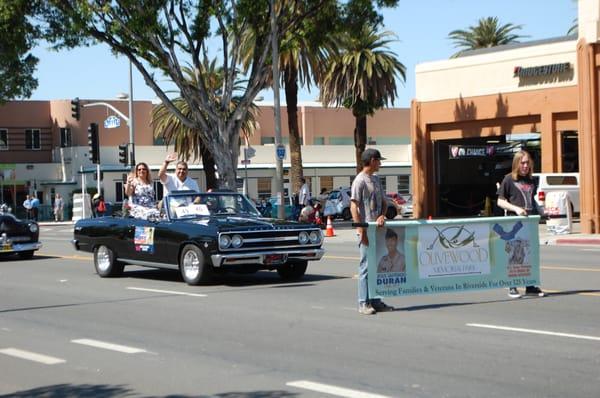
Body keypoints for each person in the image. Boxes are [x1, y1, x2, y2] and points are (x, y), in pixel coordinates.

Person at [351, 148, 394, 315]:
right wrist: (360, 228)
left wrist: (382, 215)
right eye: (378, 160)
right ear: (372, 161)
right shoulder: (359, 180)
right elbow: (354, 205)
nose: (380, 164)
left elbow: (384, 202)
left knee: (377, 267)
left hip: (377, 229)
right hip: (366, 230)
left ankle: (376, 301)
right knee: (365, 267)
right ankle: (363, 303)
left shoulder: (376, 180)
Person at [497, 149, 545, 298]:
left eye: (527, 163)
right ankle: (512, 286)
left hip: (530, 224)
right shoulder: (508, 179)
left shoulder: (531, 181)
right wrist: (516, 209)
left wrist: (541, 211)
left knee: (529, 255)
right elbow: (500, 201)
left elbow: (531, 200)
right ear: (517, 164)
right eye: (523, 163)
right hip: (514, 224)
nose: (525, 166)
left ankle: (530, 286)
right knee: (515, 255)